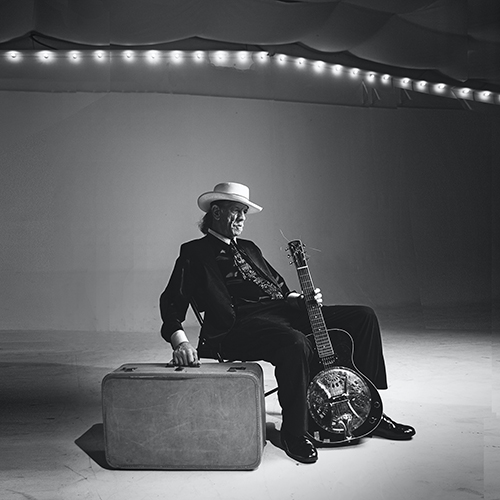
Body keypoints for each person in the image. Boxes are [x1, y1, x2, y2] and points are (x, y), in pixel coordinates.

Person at [159, 182, 415, 464]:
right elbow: (172, 301)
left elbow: (278, 287)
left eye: (244, 212)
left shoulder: (249, 247)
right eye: (236, 211)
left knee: (363, 316)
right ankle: (295, 431)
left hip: (283, 313)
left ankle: (368, 409)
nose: (242, 218)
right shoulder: (194, 252)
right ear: (216, 212)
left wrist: (300, 298)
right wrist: (180, 342)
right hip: (238, 324)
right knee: (294, 341)